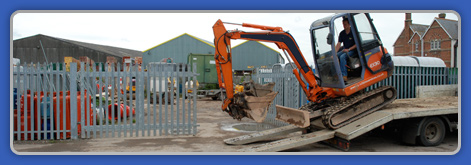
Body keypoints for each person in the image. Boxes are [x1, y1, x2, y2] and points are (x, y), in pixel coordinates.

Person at [335, 17, 357, 82]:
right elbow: (338, 44)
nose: (344, 26)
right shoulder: (342, 33)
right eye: (343, 24)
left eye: (345, 24)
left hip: (353, 50)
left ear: (349, 24)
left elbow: (357, 44)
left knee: (342, 57)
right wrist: (334, 53)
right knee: (336, 56)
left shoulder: (353, 32)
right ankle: (338, 74)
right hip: (345, 50)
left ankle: (344, 76)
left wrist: (349, 49)